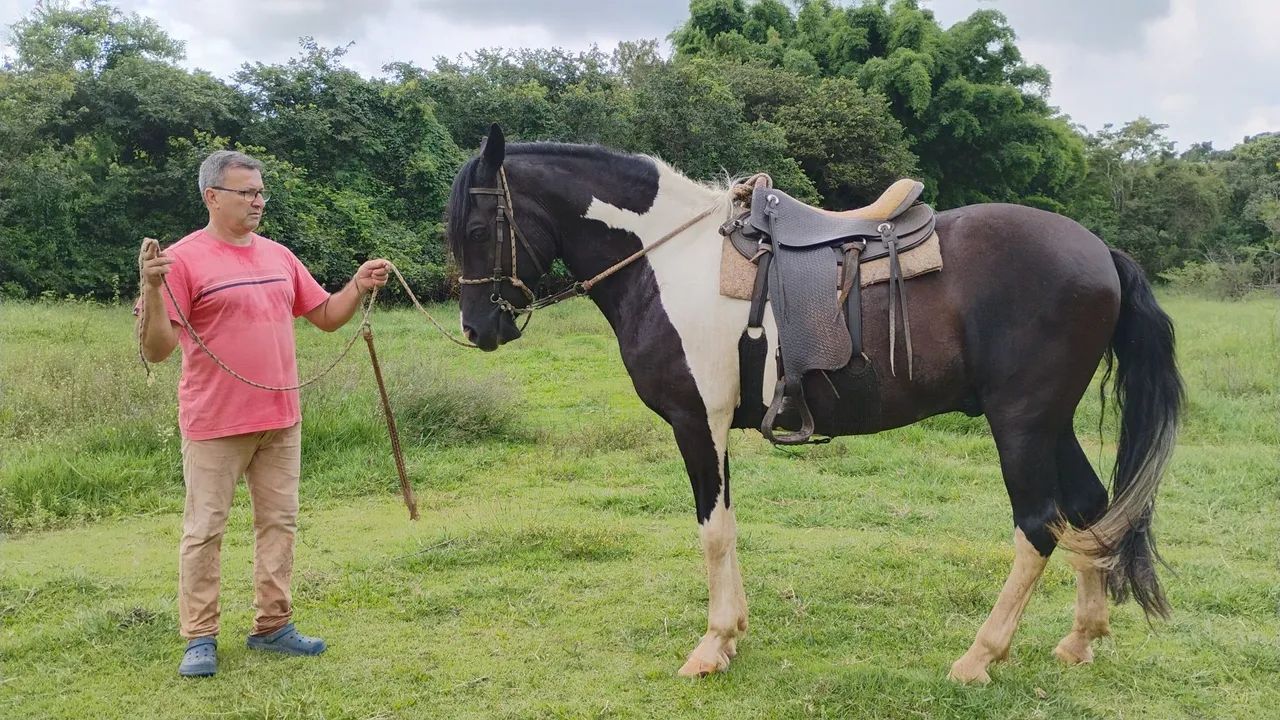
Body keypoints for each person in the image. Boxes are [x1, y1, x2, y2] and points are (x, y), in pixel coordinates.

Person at [136, 150, 390, 678]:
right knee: (205, 529)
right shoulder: (181, 261)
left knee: (279, 523)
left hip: (281, 418)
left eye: (260, 192)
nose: (257, 201)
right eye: (245, 192)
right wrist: (152, 289)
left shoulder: (278, 255)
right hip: (214, 424)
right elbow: (158, 350)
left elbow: (323, 316)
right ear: (212, 197)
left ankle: (273, 625)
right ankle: (199, 638)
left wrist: (357, 286)